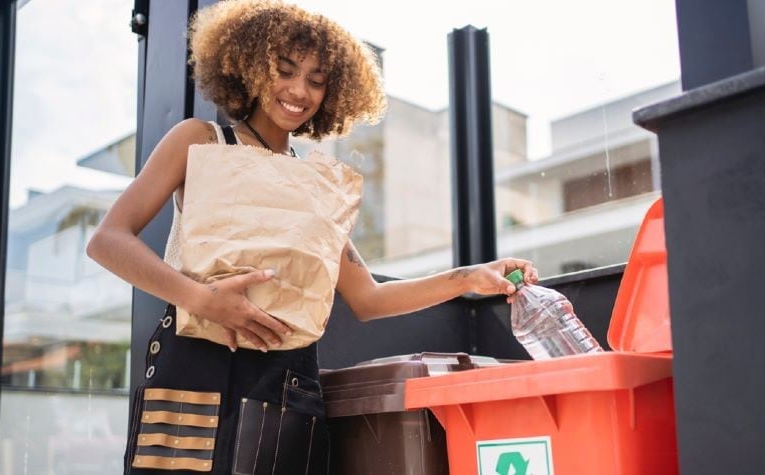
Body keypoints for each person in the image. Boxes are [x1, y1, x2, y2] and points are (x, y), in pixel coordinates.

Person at [86, 1, 540, 473]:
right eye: (285, 71)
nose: (299, 91)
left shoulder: (319, 186)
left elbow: (368, 298)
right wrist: (203, 300)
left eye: (316, 80)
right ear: (251, 66)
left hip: (283, 383)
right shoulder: (199, 140)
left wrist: (470, 276)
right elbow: (108, 240)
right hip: (193, 370)